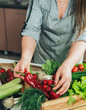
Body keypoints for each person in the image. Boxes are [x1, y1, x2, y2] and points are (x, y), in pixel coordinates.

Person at [14, 0, 86, 96]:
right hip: (42, 64)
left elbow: (81, 37)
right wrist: (25, 58)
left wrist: (68, 65)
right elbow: (31, 29)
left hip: (71, 66)